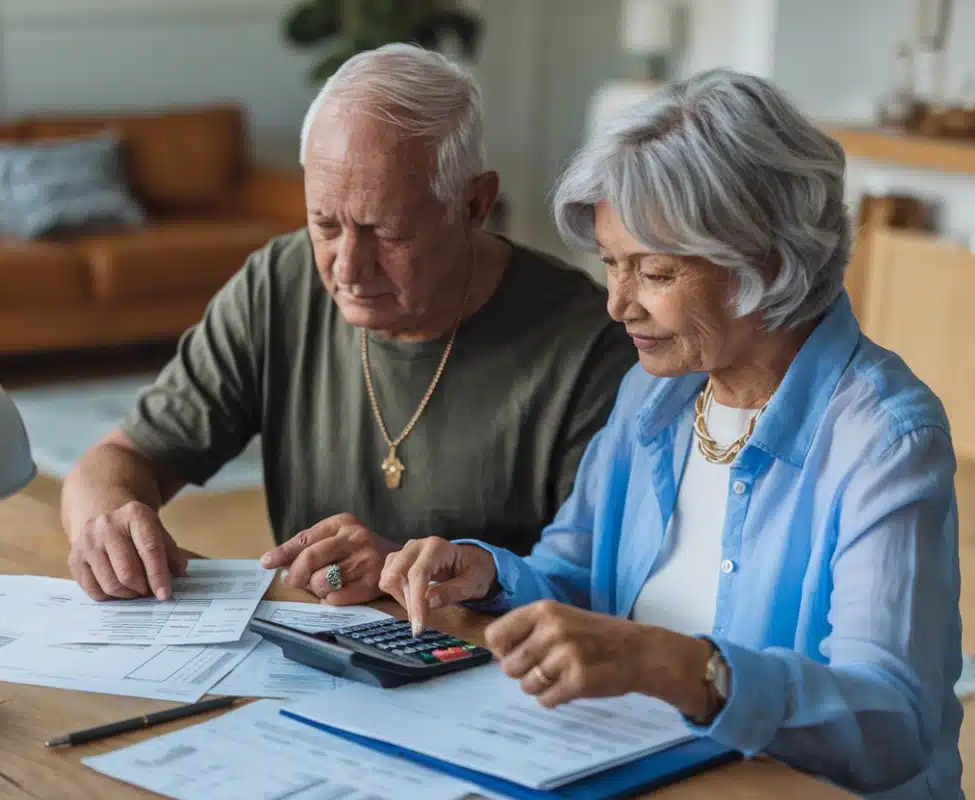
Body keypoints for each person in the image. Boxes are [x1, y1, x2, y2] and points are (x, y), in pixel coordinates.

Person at [380, 68, 963, 798]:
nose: (619, 304)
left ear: (767, 262)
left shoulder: (884, 437)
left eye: (654, 272)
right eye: (612, 266)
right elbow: (574, 579)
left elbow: (891, 725)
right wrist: (488, 572)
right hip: (641, 770)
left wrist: (680, 667)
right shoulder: (654, 396)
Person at [59, 44, 636, 607]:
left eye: (386, 233)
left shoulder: (587, 347)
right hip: (310, 663)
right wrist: (107, 523)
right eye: (325, 224)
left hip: (498, 673)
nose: (347, 267)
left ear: (474, 205)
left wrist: (408, 573)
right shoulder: (279, 284)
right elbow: (117, 462)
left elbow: (597, 588)